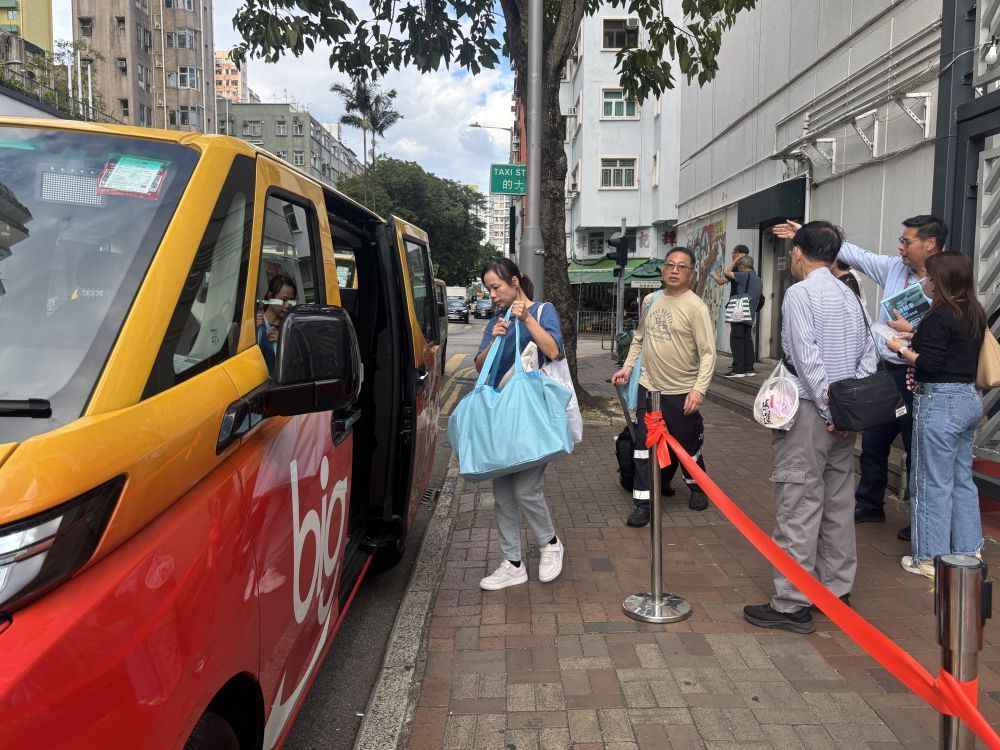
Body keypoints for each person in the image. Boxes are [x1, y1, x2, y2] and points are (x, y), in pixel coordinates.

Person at [774, 215, 946, 543]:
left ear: (930, 244)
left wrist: (837, 410)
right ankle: (869, 503)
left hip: (919, 374)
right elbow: (857, 256)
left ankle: (922, 522)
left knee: (917, 447)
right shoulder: (892, 269)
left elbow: (808, 361)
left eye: (906, 241)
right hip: (884, 374)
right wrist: (852, 408)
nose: (900, 247)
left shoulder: (946, 277)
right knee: (873, 445)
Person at [743, 222, 877, 634]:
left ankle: (791, 603)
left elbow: (806, 358)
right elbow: (869, 356)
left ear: (798, 252)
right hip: (844, 419)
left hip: (808, 413)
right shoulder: (850, 293)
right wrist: (848, 411)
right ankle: (836, 590)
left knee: (799, 505)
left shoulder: (799, 294)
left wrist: (829, 406)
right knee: (837, 503)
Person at [886, 252, 986, 580]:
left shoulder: (939, 315)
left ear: (940, 281)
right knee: (961, 480)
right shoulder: (972, 310)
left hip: (940, 402)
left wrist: (900, 349)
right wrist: (913, 335)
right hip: (968, 399)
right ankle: (968, 549)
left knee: (931, 483)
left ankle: (929, 557)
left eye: (929, 277)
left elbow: (929, 363)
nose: (925, 282)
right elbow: (950, 347)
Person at [474, 257, 566, 590]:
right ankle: (513, 563)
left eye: (495, 287)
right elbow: (479, 366)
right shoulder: (496, 321)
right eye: (488, 289)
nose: (492, 294)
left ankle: (550, 543)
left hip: (531, 415)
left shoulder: (542, 311)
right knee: (502, 494)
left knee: (526, 489)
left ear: (514, 283)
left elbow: (554, 351)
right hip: (500, 416)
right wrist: (495, 340)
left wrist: (525, 318)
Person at [611, 247, 717, 526]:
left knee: (687, 443)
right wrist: (628, 367)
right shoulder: (651, 300)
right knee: (643, 446)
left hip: (681, 390)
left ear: (691, 273)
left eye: (682, 267)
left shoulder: (696, 307)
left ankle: (697, 487)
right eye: (670, 265)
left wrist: (698, 389)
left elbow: (708, 353)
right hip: (649, 388)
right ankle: (642, 504)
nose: (674, 270)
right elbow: (639, 339)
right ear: (663, 269)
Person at [712, 249, 762, 377]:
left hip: (739, 313)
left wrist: (736, 260)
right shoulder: (757, 278)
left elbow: (727, 272)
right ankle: (749, 368)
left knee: (737, 340)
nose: (738, 268)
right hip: (750, 313)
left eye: (739, 266)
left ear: (742, 266)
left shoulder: (744, 276)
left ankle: (738, 369)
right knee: (747, 340)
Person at [256, 274, 298, 376]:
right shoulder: (255, 324)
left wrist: (283, 341)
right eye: (283, 300)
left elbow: (300, 362)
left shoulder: (292, 327)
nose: (288, 305)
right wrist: (252, 332)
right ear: (270, 296)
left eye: (291, 301)